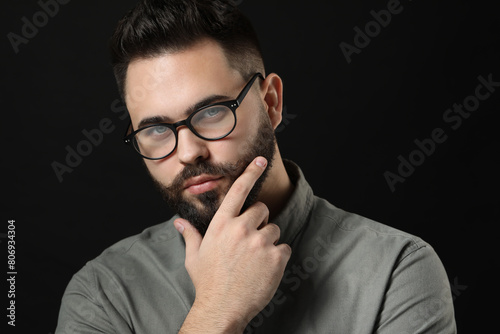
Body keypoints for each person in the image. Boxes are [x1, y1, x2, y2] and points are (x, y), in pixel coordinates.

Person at [56, 0, 457, 333]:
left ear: (271, 103)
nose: (188, 152)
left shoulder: (397, 271)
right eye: (157, 129)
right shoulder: (102, 294)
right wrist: (216, 312)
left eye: (212, 112)